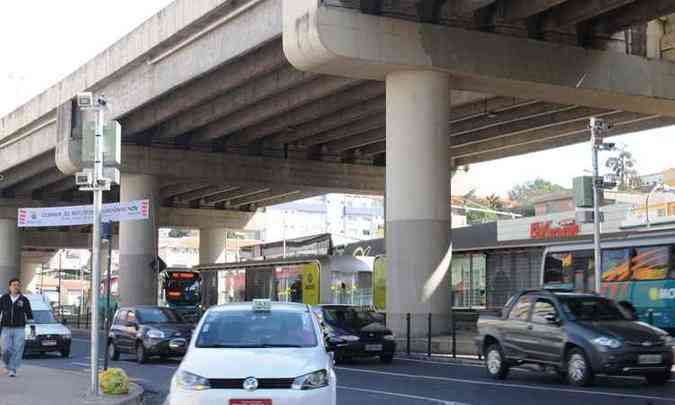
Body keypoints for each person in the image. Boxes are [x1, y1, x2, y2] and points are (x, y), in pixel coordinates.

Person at [0, 278, 33, 377]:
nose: (16, 287)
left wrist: (32, 327)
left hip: (19, 329)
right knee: (6, 349)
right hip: (6, 328)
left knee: (18, 349)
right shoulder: (4, 298)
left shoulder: (24, 299)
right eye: (14, 285)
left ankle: (13, 369)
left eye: (18, 285)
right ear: (9, 287)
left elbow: (29, 314)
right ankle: (6, 364)